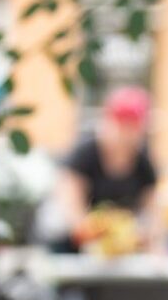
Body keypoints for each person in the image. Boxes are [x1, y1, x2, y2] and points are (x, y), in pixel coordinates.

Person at [53, 84, 161, 251]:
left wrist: (147, 237)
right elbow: (70, 209)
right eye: (121, 124)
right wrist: (95, 231)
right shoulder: (84, 155)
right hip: (71, 250)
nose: (126, 134)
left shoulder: (143, 163)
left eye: (132, 126)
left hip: (121, 254)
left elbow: (154, 214)